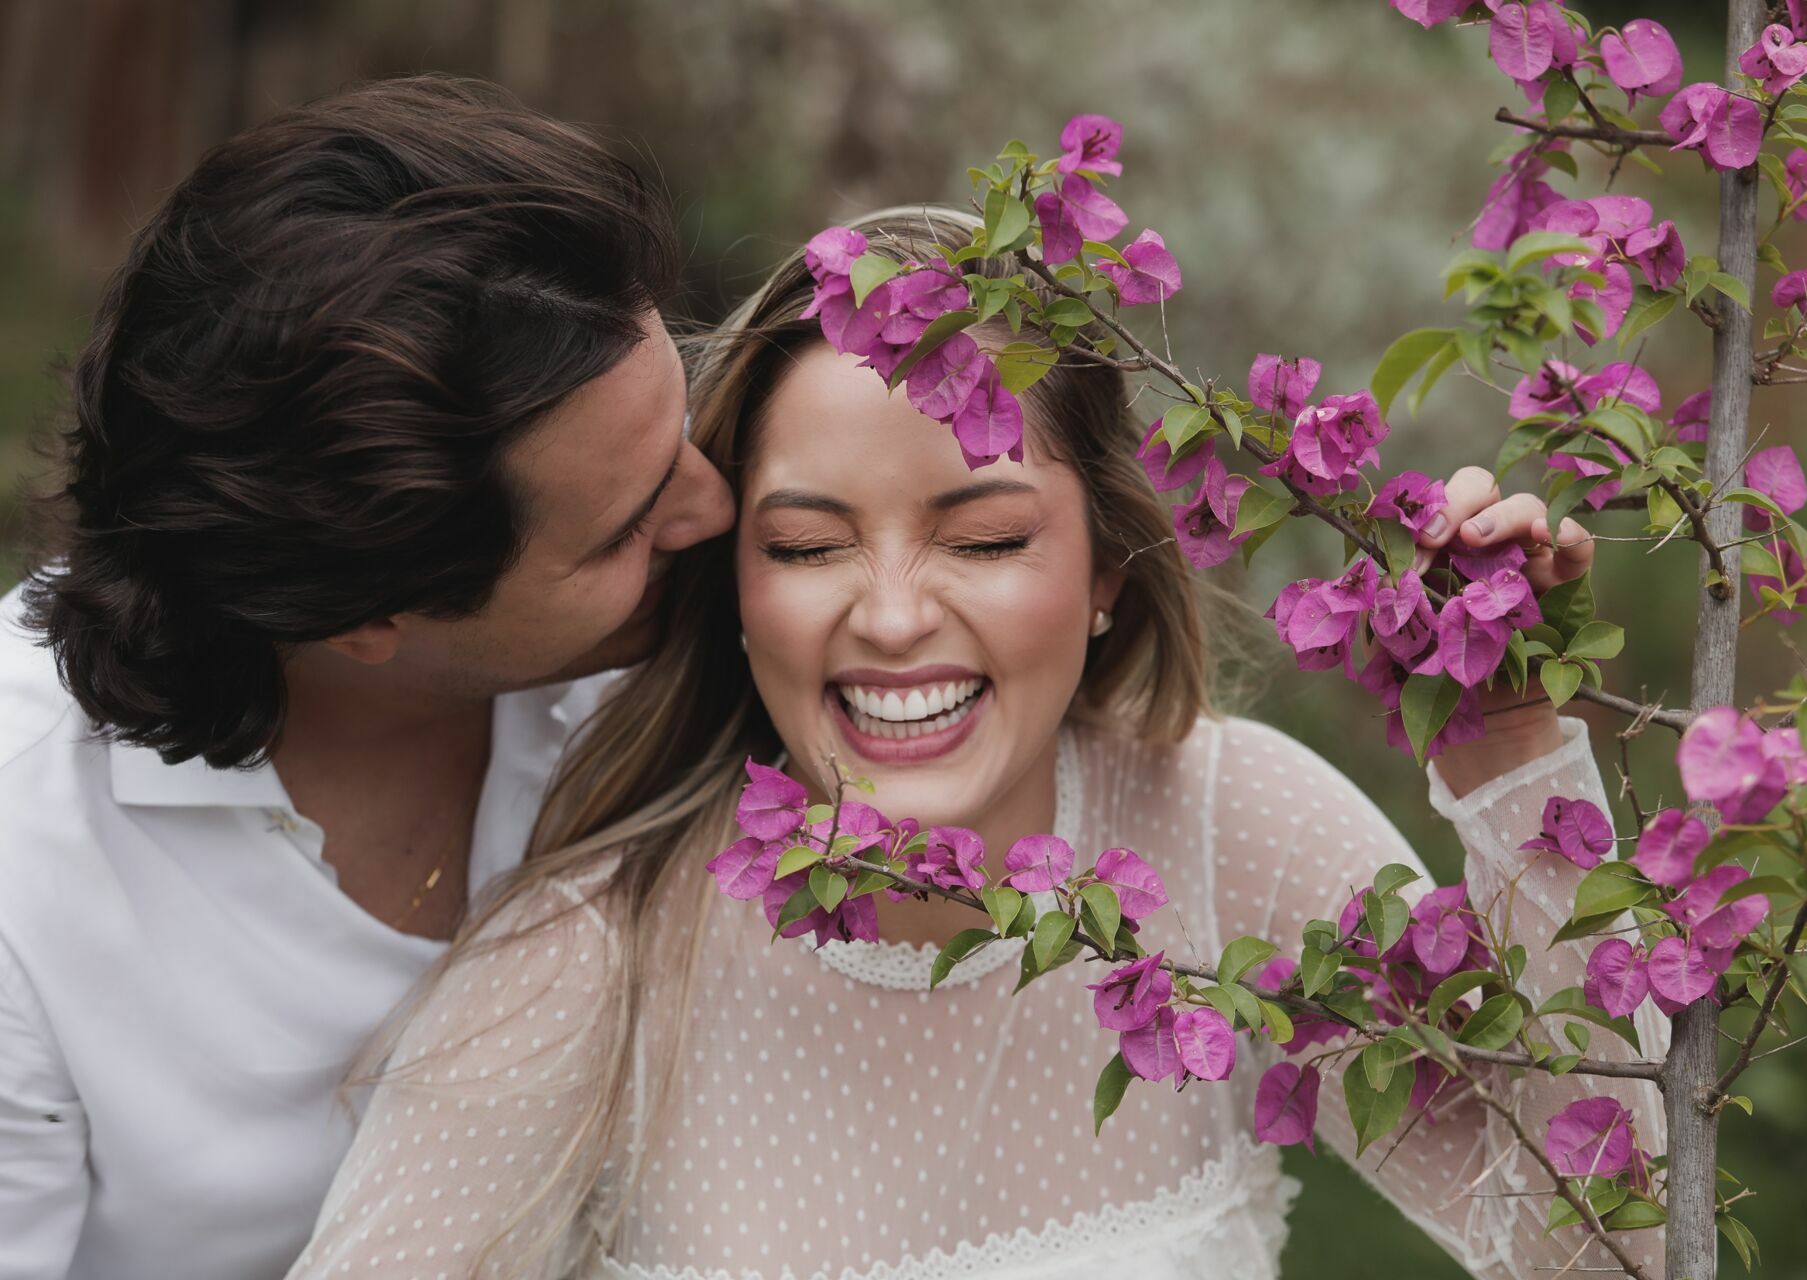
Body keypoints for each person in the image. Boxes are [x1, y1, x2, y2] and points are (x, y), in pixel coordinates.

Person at [287, 208, 1671, 1280]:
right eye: (811, 546)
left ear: (1110, 565)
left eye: (988, 538)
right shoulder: (590, 965)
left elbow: (1620, 1247)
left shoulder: (1224, 833)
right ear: (737, 585)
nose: (892, 617)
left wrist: (1512, 757)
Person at [0, 76, 732, 1280]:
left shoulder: (670, 666)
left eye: (682, 426)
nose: (714, 507)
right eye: (622, 530)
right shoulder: (32, 870)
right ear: (367, 615)